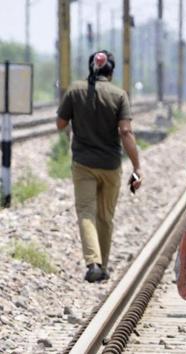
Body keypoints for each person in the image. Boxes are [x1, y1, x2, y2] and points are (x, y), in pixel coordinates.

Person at [56, 50, 143, 283]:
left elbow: (60, 123)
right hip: (111, 165)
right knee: (105, 216)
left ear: (90, 68)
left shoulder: (75, 90)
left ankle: (93, 263)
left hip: (83, 164)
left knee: (86, 212)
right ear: (111, 72)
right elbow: (126, 131)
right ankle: (102, 267)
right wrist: (137, 167)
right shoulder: (119, 95)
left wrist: (78, 116)